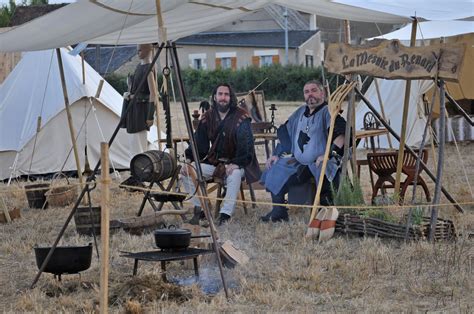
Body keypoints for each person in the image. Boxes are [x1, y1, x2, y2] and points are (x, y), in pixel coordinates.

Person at [260, 80, 347, 222]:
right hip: (298, 162)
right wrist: (276, 154)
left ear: (322, 93)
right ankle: (279, 211)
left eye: (314, 90)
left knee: (324, 171)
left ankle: (324, 216)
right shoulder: (300, 112)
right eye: (306, 92)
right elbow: (286, 132)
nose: (310, 94)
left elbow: (342, 134)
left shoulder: (328, 111)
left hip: (319, 161)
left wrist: (328, 155)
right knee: (275, 168)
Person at [181, 83, 261, 225]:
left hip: (239, 163)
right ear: (215, 97)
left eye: (226, 94)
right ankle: (203, 209)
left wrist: (236, 163)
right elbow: (199, 144)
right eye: (220, 94)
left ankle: (225, 215)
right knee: (188, 171)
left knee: (234, 175)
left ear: (231, 97)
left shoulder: (241, 117)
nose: (223, 98)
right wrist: (188, 159)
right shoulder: (208, 117)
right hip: (215, 163)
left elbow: (247, 146)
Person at [120, 43, 156, 187]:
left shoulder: (148, 69)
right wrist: (130, 95)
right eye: (137, 50)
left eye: (140, 50)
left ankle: (142, 177)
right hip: (133, 110)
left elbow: (153, 94)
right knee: (133, 145)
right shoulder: (139, 67)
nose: (138, 52)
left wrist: (150, 116)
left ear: (148, 51)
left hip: (141, 112)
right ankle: (136, 175)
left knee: (139, 146)